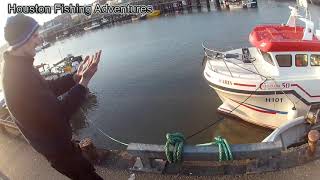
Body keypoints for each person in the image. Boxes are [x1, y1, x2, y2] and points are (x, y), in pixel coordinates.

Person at [1, 14, 104, 180]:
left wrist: (75, 77)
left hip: (58, 144)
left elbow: (48, 87)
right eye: (35, 35)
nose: (39, 39)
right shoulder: (17, 76)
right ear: (22, 39)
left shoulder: (20, 65)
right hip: (57, 150)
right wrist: (84, 81)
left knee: (87, 172)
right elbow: (60, 113)